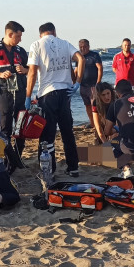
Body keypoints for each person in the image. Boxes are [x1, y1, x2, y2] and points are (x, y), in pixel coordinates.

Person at [26, 22, 84, 177]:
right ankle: (73, 167)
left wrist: (27, 95)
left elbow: (32, 72)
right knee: (67, 132)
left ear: (40, 34)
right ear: (54, 32)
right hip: (65, 93)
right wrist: (77, 82)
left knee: (47, 135)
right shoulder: (65, 43)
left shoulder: (36, 45)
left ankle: (49, 170)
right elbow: (80, 59)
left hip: (47, 93)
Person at [0, 21, 29, 156]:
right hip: (3, 95)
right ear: (10, 34)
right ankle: (7, 157)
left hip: (20, 95)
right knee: (5, 128)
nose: (20, 40)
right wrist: (0, 74)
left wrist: (24, 69)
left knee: (21, 127)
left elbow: (31, 70)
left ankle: (18, 156)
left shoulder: (20, 51)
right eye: (18, 37)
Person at [76, 39, 103, 128]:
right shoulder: (79, 57)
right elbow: (76, 71)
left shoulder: (94, 55)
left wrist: (98, 82)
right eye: (81, 47)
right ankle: (92, 123)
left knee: (95, 106)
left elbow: (100, 68)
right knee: (87, 105)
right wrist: (74, 83)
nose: (83, 49)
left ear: (88, 46)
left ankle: (99, 123)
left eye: (84, 47)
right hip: (83, 86)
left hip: (93, 85)